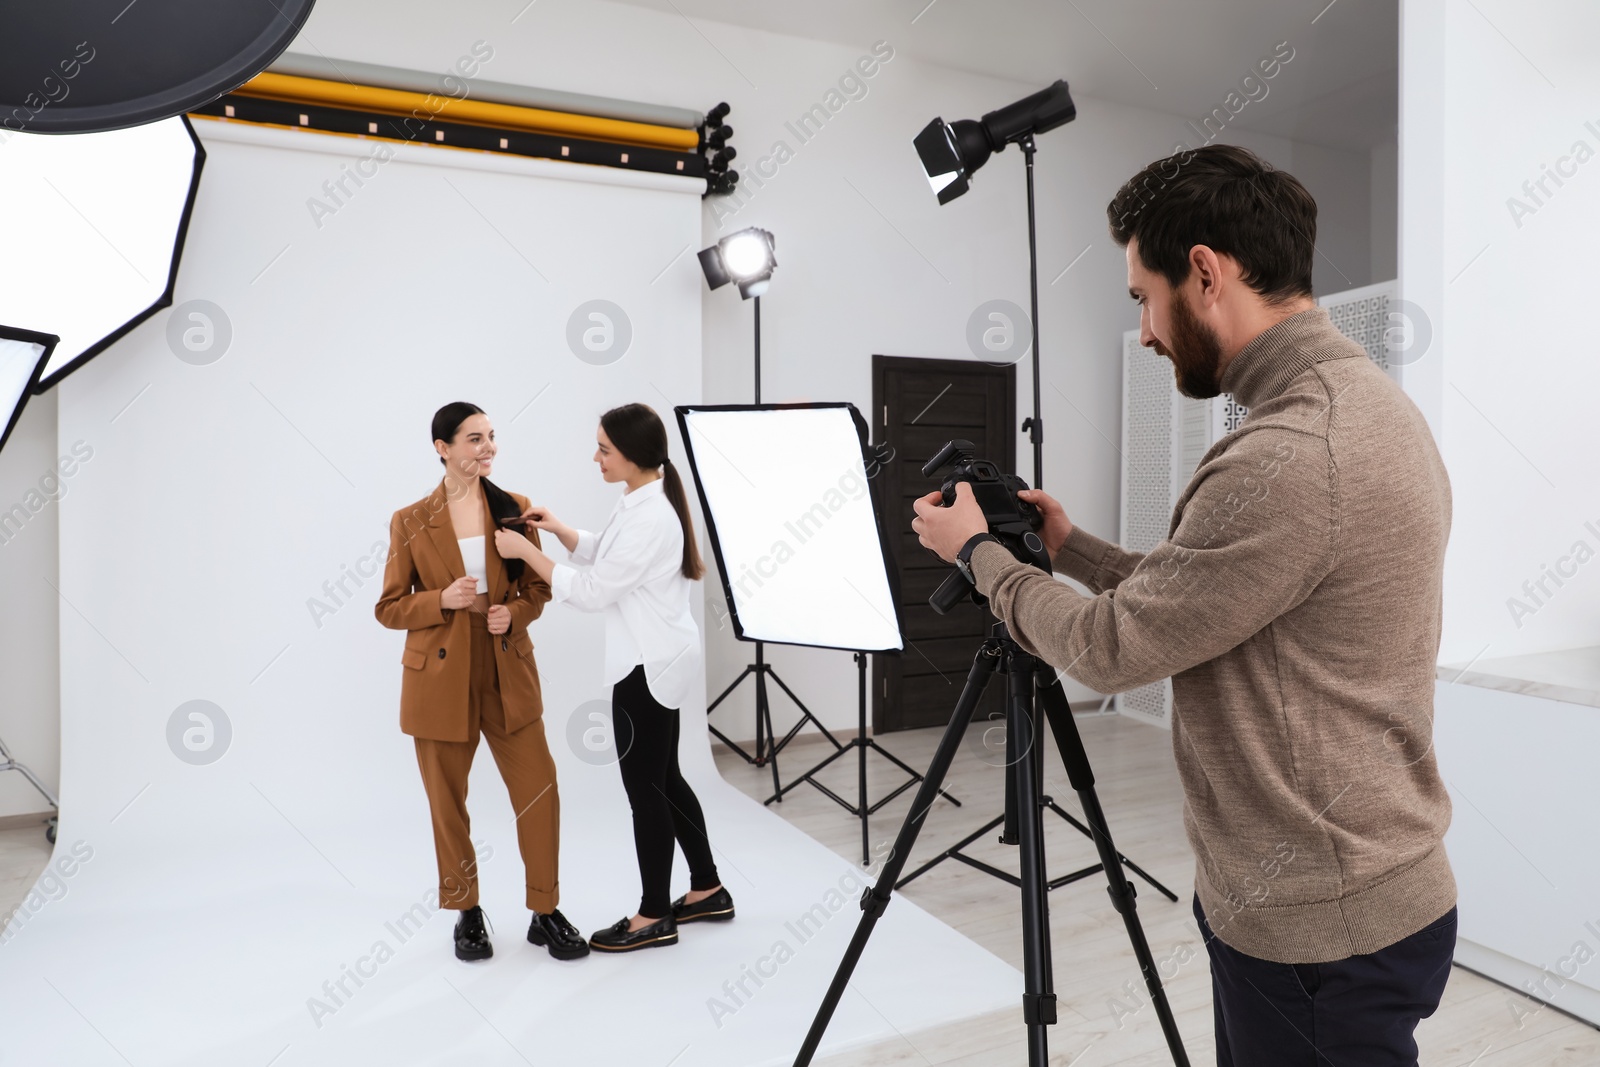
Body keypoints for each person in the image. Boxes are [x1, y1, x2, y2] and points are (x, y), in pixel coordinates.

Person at [912, 144, 1456, 1066]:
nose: (1146, 333)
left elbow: (1109, 649)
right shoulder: (1360, 407)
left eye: (1141, 299)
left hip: (1320, 928)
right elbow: (1211, 598)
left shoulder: (1289, 451)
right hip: (1355, 900)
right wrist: (1067, 548)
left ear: (1204, 272)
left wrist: (981, 557)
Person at [495, 401, 731, 954]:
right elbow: (609, 553)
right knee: (667, 779)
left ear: (634, 455)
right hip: (662, 656)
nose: (596, 457)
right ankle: (707, 889)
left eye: (604, 448)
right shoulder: (644, 499)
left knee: (646, 790)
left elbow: (598, 590)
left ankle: (653, 916)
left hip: (646, 666)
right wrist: (557, 530)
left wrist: (529, 554)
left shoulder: (651, 516)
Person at [375, 402, 589, 963]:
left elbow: (537, 590)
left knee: (539, 788)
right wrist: (439, 600)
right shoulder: (409, 520)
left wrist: (513, 614)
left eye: (491, 437)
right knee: (448, 802)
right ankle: (466, 911)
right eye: (474, 439)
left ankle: (545, 910)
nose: (487, 447)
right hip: (439, 677)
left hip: (505, 667)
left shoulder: (514, 508)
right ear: (442, 448)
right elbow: (389, 608)